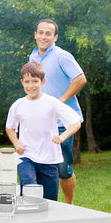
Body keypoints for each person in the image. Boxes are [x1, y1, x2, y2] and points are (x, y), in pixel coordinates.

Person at [6, 61, 81, 223]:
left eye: (35, 81)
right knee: (29, 186)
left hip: (49, 157)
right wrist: (16, 143)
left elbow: (75, 122)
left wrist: (62, 138)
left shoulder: (52, 103)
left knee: (49, 198)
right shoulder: (18, 105)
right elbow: (10, 127)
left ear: (43, 81)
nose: (31, 85)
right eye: (27, 82)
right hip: (26, 156)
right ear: (22, 82)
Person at [29, 19, 86, 204]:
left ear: (55, 37)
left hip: (63, 123)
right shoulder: (33, 57)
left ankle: (69, 206)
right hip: (40, 122)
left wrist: (58, 103)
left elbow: (80, 79)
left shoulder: (62, 56)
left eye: (48, 33)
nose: (44, 36)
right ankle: (43, 205)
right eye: (41, 32)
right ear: (36, 34)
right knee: (38, 165)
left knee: (63, 168)